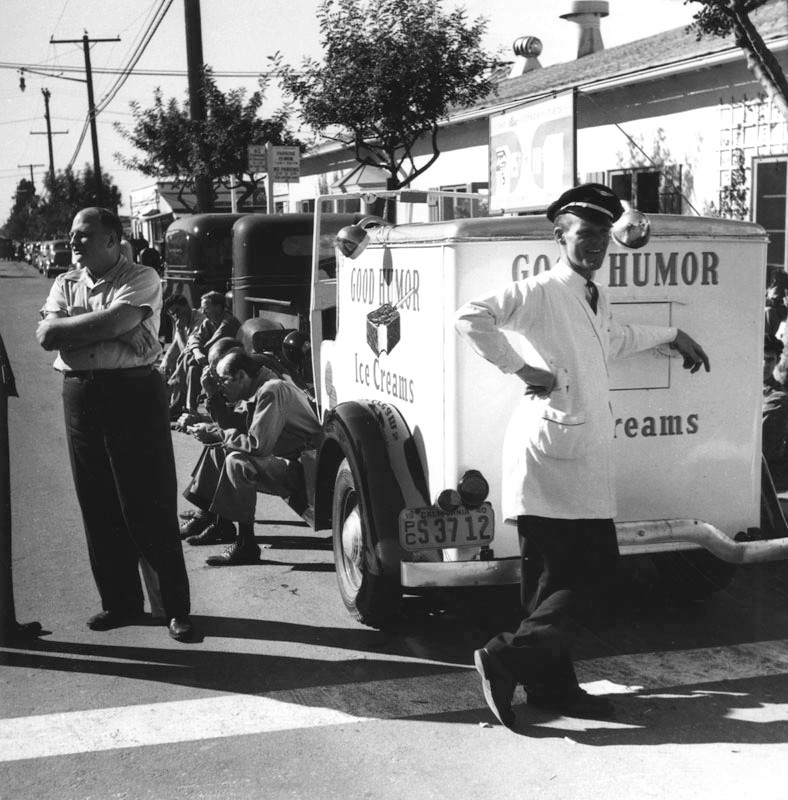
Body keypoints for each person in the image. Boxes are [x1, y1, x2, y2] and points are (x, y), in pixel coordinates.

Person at [454, 183, 710, 728]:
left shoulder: (593, 294)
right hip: (550, 453)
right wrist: (524, 371)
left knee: (553, 585)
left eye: (602, 238)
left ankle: (552, 689)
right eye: (585, 235)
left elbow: (611, 340)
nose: (595, 246)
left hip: (575, 452)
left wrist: (671, 333)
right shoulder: (543, 290)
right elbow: (470, 316)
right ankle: (504, 656)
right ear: (560, 237)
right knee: (594, 580)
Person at [36, 206, 194, 642]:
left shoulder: (141, 278)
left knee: (148, 503)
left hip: (133, 393)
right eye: (72, 234)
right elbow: (49, 337)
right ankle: (120, 603)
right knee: (98, 503)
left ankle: (174, 609)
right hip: (81, 394)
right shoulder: (64, 282)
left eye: (83, 235)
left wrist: (78, 325)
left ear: (112, 239)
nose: (74, 242)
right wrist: (111, 326)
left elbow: (120, 318)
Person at [182, 349, 321, 566]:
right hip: (286, 460)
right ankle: (219, 522)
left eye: (223, 381)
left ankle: (246, 544)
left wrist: (216, 433)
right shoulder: (256, 388)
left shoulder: (271, 391)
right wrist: (212, 397)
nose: (220, 386)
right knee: (219, 449)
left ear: (241, 376)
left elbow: (257, 446)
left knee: (237, 462)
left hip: (305, 472)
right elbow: (232, 426)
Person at [174, 291, 241, 420]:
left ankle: (181, 404)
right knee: (191, 363)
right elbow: (194, 339)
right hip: (211, 360)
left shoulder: (228, 323)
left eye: (206, 308)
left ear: (218, 307)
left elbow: (211, 346)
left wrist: (196, 352)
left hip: (226, 362)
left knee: (189, 359)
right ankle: (190, 409)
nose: (203, 312)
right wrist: (196, 352)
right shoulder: (208, 322)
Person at [159, 293, 204, 415]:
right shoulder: (180, 321)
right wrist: (165, 362)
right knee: (166, 367)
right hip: (189, 357)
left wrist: (180, 330)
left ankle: (176, 405)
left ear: (186, 306)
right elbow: (175, 346)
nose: (176, 315)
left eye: (178, 310)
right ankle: (168, 404)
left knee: (186, 362)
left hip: (201, 356)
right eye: (173, 314)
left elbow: (188, 350)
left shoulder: (199, 320)